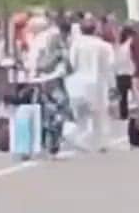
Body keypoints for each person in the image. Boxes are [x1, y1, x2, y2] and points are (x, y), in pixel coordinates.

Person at [64, 18, 116, 153]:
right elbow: (110, 68)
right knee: (100, 115)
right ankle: (101, 142)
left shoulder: (76, 45)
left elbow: (72, 63)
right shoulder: (105, 46)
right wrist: (112, 86)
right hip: (99, 83)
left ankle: (79, 137)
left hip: (78, 82)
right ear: (96, 29)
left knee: (80, 114)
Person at [24, 15, 74, 156]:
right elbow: (65, 60)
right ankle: (53, 139)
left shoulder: (38, 39)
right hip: (53, 79)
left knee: (42, 108)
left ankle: (43, 139)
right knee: (59, 108)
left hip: (38, 79)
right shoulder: (56, 38)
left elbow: (31, 61)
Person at [114, 27, 137, 120]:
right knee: (136, 95)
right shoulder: (130, 43)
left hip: (121, 73)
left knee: (123, 96)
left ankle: (123, 114)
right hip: (131, 72)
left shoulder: (120, 46)